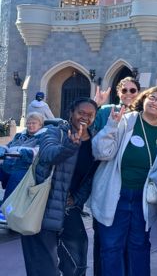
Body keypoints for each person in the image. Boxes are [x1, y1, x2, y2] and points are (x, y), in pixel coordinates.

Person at [91, 86, 157, 276]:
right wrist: (111, 125)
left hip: (143, 200)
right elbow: (101, 152)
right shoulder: (126, 121)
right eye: (152, 98)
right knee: (111, 247)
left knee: (139, 247)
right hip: (116, 195)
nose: (156, 102)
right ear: (143, 99)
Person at [21, 97, 99, 276]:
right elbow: (49, 154)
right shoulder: (54, 132)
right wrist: (69, 147)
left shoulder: (95, 141)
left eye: (90, 114)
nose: (85, 117)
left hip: (68, 208)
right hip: (42, 206)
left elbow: (90, 177)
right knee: (43, 266)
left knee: (77, 261)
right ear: (71, 112)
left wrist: (77, 199)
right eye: (81, 112)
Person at [0, 112, 45, 202]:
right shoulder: (19, 135)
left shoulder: (43, 137)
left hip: (26, 168)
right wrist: (3, 149)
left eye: (33, 123)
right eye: (28, 123)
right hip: (10, 164)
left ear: (40, 125)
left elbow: (38, 152)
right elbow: (9, 145)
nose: (30, 125)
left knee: (15, 177)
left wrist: (25, 153)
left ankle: (6, 206)